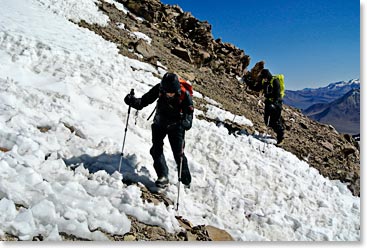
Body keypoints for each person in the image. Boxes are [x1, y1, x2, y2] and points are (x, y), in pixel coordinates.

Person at [124, 72, 194, 188]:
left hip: (176, 127)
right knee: (156, 149)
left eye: (172, 93)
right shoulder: (160, 89)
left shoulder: (184, 94)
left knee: (179, 154)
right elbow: (144, 101)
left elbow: (189, 113)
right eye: (167, 92)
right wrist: (132, 101)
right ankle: (163, 176)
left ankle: (186, 181)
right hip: (159, 123)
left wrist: (186, 122)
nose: (169, 95)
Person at [259, 69, 284, 145]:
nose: (263, 78)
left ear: (267, 75)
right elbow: (258, 87)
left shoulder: (275, 81)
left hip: (276, 104)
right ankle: (278, 130)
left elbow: (277, 94)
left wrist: (275, 104)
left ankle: (281, 138)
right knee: (267, 121)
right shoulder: (265, 82)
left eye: (264, 77)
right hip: (268, 103)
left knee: (275, 121)